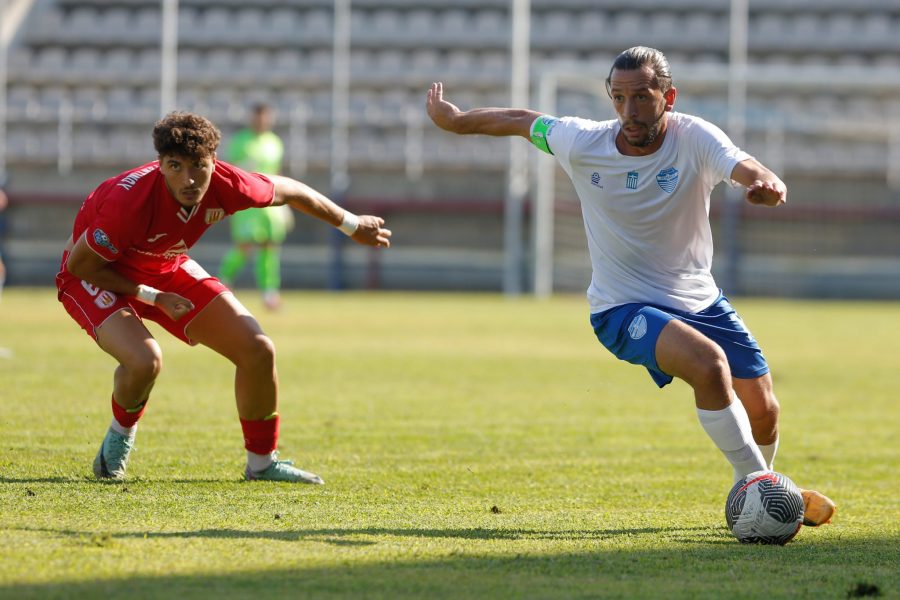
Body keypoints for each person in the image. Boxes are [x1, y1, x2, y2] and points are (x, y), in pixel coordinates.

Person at [426, 46, 835, 526]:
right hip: (622, 307)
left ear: (669, 97)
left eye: (641, 98)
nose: (629, 112)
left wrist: (768, 184)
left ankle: (758, 490)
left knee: (764, 409)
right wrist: (457, 121)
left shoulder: (695, 136)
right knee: (709, 365)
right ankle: (761, 489)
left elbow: (744, 165)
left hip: (700, 299)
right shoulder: (583, 141)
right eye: (619, 99)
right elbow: (522, 120)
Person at [56, 112, 391, 483]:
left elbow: (292, 190)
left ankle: (262, 464)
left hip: (165, 266)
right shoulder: (129, 202)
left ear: (215, 161)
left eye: (199, 166)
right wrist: (154, 297)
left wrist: (352, 224)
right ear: (160, 164)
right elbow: (81, 265)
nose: (189, 179)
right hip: (96, 275)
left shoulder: (230, 183)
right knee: (145, 362)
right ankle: (117, 442)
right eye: (175, 166)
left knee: (258, 349)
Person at [218, 103, 292, 310]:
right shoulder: (241, 140)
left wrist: (284, 205)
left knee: (270, 247)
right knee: (245, 246)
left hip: (271, 203)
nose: (262, 120)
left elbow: (276, 171)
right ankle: (222, 281)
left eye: (266, 116)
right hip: (249, 201)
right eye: (259, 116)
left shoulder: (275, 142)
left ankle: (270, 294)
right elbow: (234, 169)